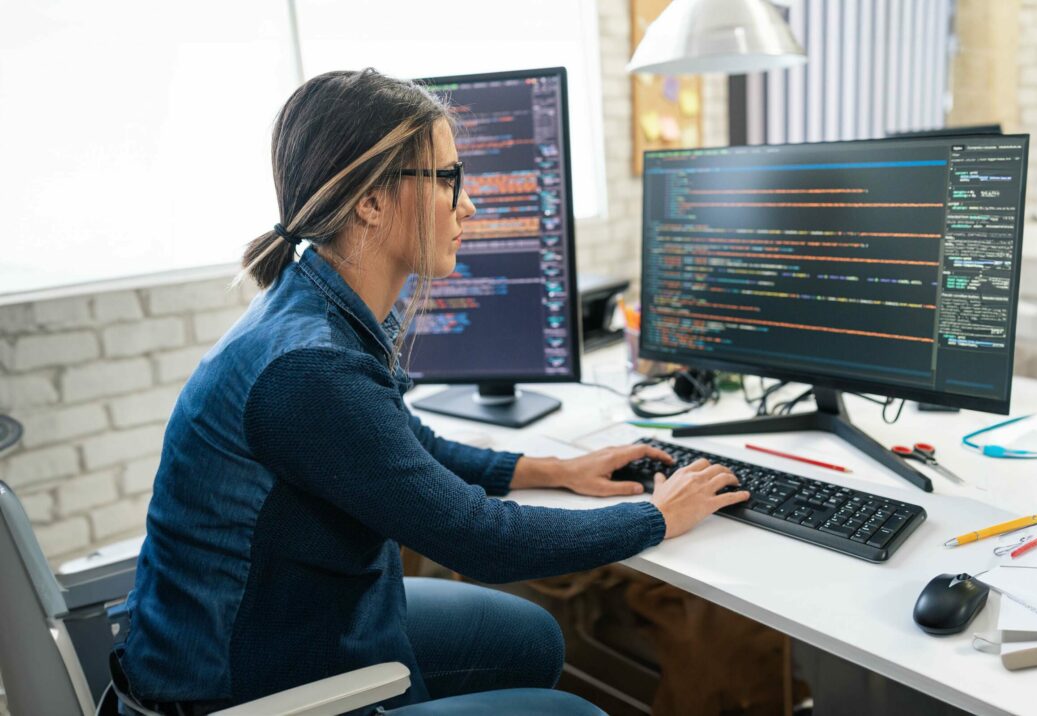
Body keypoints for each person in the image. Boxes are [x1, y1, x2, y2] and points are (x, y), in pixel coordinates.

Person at [119, 68, 748, 716]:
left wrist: (557, 470)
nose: (467, 205)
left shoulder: (316, 308)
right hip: (238, 688)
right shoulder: (309, 369)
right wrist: (656, 517)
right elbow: (479, 539)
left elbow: (401, 444)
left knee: (532, 639)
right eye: (448, 179)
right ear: (369, 200)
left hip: (299, 617)